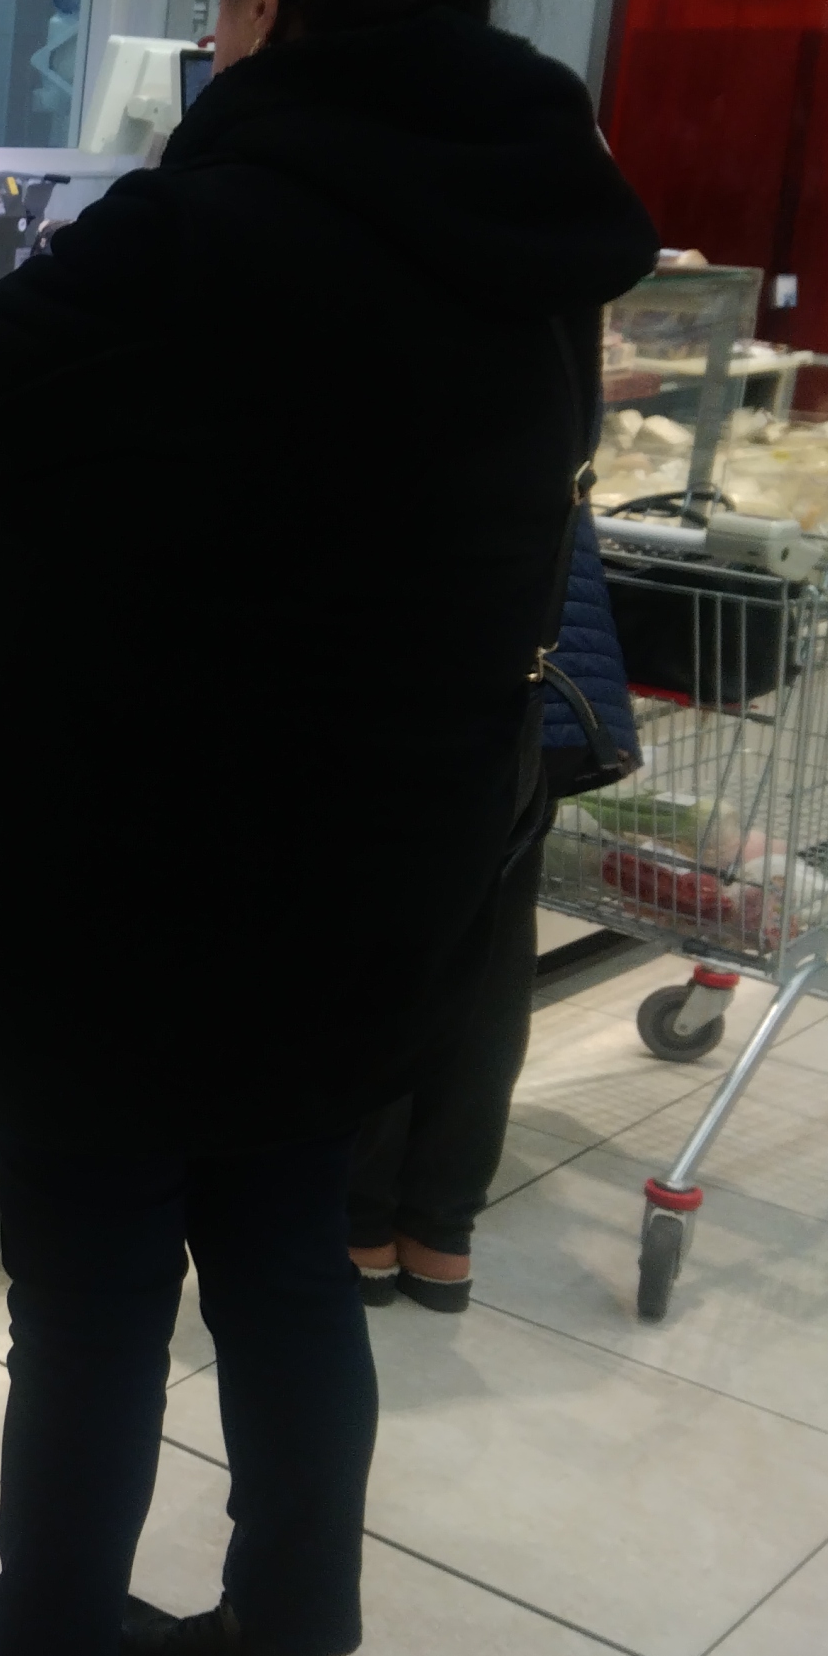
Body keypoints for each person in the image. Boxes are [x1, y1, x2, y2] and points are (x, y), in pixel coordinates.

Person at [0, 0, 658, 1656]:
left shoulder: (214, 215)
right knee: (289, 1250)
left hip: (128, 857)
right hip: (371, 859)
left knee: (94, 1293)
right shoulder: (535, 235)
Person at [349, 513, 641, 1309]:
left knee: (379, 951)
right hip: (530, 680)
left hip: (406, 676)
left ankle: (360, 1224)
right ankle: (440, 1232)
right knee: (486, 956)